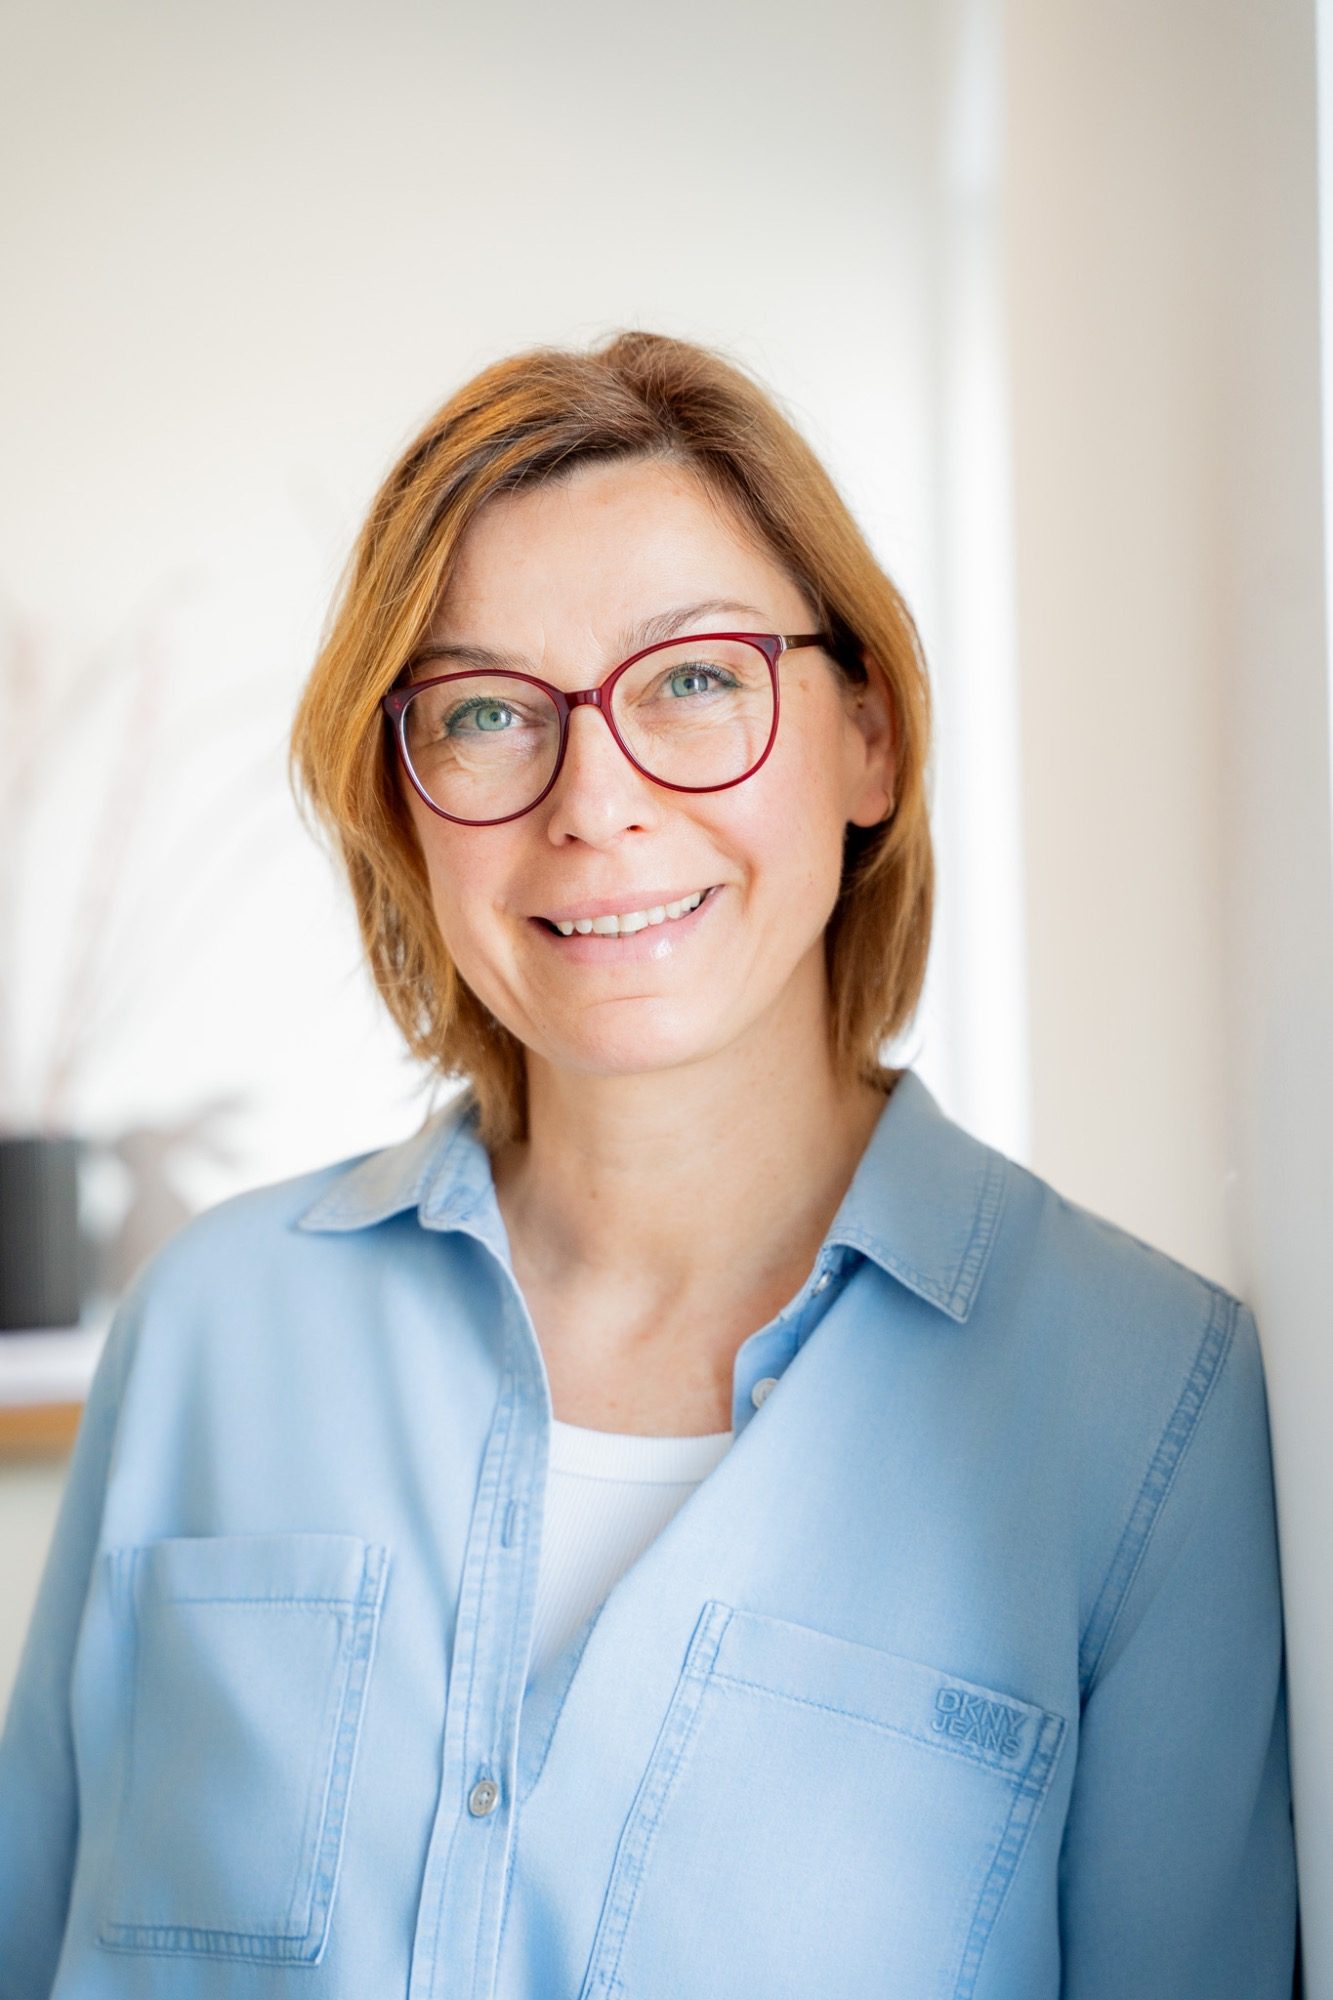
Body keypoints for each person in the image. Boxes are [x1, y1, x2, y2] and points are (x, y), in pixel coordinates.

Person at [0, 330, 1297, 1998]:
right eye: (482, 713)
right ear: (403, 807)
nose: (593, 803)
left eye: (692, 679)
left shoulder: (1146, 1412)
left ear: (868, 736)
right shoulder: (210, 1333)